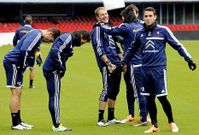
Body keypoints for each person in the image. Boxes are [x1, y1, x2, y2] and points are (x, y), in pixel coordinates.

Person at [121, 7, 196, 133]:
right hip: (144, 70)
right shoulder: (140, 33)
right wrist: (122, 63)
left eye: (150, 16)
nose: (148, 18)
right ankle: (155, 126)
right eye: (146, 16)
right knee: (149, 99)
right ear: (143, 17)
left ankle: (171, 122)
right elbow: (131, 50)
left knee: (162, 97)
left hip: (159, 70)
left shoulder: (163, 31)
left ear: (155, 17)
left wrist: (188, 59)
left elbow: (178, 45)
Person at [99, 4, 148, 126]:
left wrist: (100, 25)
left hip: (132, 64)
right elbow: (129, 39)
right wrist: (120, 39)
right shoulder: (141, 26)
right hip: (144, 62)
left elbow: (110, 30)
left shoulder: (126, 26)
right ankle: (138, 115)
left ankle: (143, 118)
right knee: (141, 90)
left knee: (136, 91)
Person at [3, 27, 60, 130]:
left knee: (19, 92)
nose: (48, 42)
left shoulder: (36, 33)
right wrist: (25, 65)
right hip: (14, 63)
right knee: (16, 92)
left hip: (16, 63)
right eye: (50, 40)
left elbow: (32, 47)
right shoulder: (37, 34)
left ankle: (19, 121)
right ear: (50, 34)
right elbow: (25, 50)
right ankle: (15, 123)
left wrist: (36, 55)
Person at [43, 30, 90, 132]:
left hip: (52, 69)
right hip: (53, 70)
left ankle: (56, 124)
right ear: (81, 36)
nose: (82, 44)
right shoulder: (67, 38)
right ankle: (56, 125)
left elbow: (61, 54)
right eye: (83, 41)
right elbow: (55, 51)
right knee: (54, 97)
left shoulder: (70, 40)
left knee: (54, 97)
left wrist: (63, 68)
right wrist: (60, 67)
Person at [91, 7, 124, 127]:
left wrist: (122, 60)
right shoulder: (98, 29)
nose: (105, 16)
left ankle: (111, 117)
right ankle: (100, 118)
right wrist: (108, 63)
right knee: (107, 89)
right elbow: (99, 47)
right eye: (102, 15)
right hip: (107, 64)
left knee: (115, 90)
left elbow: (116, 46)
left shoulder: (110, 28)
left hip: (117, 63)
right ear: (97, 17)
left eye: (106, 14)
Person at [13, 15, 43, 89]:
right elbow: (37, 44)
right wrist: (38, 54)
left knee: (20, 67)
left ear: (24, 21)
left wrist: (16, 48)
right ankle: (31, 85)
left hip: (21, 51)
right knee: (32, 68)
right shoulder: (34, 31)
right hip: (31, 52)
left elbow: (14, 41)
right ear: (31, 22)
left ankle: (20, 83)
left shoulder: (19, 30)